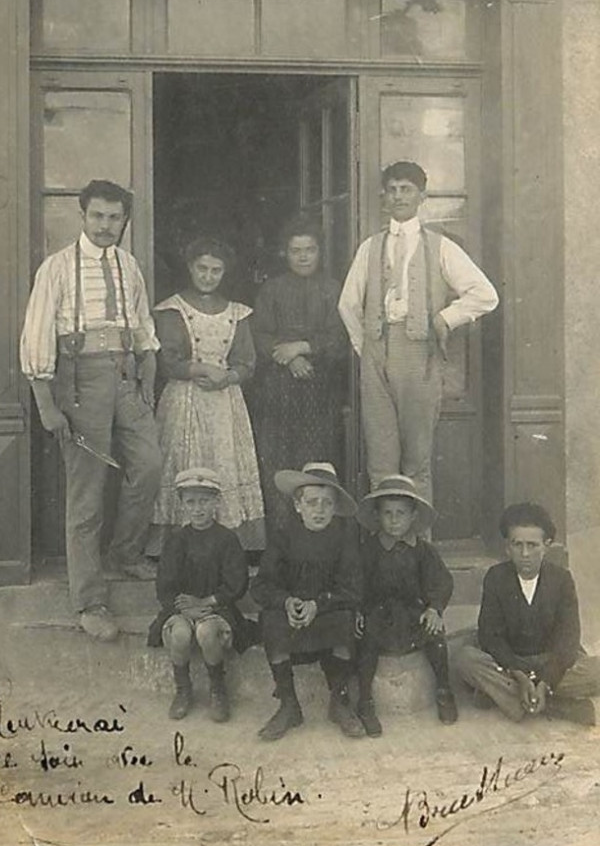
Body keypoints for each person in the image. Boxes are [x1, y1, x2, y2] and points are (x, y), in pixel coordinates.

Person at [20, 180, 162, 642]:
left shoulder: (128, 265)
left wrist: (147, 371)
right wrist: (47, 406)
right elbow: (38, 336)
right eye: (97, 216)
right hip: (79, 381)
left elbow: (142, 327)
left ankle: (125, 552)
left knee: (149, 466)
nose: (105, 226)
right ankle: (89, 599)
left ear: (124, 221)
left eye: (114, 218)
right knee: (87, 491)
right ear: (83, 216)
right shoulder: (57, 268)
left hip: (126, 376)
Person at [338, 161, 498, 503]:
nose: (398, 196)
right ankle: (384, 546)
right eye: (392, 190)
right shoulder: (370, 246)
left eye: (406, 189)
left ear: (421, 196)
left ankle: (417, 544)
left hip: (419, 356)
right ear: (385, 197)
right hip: (376, 354)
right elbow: (348, 305)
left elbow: (485, 295)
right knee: (380, 454)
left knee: (417, 458)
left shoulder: (440, 246)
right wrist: (365, 346)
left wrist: (446, 318)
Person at [151, 236, 265, 554]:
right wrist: (202, 371)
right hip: (185, 399)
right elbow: (168, 361)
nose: (208, 276)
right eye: (202, 269)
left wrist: (227, 377)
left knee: (223, 462)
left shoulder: (237, 313)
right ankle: (177, 545)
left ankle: (228, 544)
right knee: (185, 462)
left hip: (226, 402)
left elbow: (247, 362)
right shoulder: (172, 309)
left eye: (216, 270)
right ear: (190, 268)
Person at [457, 502, 600, 727]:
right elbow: (491, 635)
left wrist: (546, 682)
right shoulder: (496, 577)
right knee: (464, 660)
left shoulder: (562, 579)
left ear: (547, 545)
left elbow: (568, 638)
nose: (525, 554)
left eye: (533, 545)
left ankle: (507, 697)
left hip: (549, 660)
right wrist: (520, 675)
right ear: (507, 547)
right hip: (509, 661)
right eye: (517, 545)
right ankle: (555, 706)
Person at [251, 462, 363, 741]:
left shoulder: (344, 538)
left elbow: (353, 588)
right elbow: (262, 585)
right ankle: (289, 704)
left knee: (346, 620)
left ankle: (339, 701)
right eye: (312, 502)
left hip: (327, 613)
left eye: (327, 503)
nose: (320, 510)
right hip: (293, 616)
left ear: (335, 508)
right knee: (271, 621)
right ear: (298, 506)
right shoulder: (283, 537)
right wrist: (287, 601)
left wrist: (320, 604)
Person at [251, 214, 348, 533]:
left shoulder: (333, 290)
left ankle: (315, 531)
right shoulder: (272, 290)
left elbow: (341, 338)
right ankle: (281, 532)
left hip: (320, 390)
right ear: (285, 253)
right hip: (278, 392)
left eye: (310, 249)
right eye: (296, 250)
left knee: (317, 459)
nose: (303, 256)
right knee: (278, 459)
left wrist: (303, 346)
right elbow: (260, 335)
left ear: (320, 252)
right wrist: (288, 358)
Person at [355, 475, 458, 736]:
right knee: (365, 642)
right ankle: (365, 701)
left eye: (400, 513)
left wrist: (435, 608)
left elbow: (442, 581)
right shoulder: (368, 550)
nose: (394, 519)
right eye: (387, 513)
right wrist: (357, 610)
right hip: (378, 615)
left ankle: (444, 689)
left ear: (413, 516)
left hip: (414, 615)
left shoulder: (423, 551)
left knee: (435, 635)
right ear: (377, 516)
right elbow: (355, 582)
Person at [147, 468, 252, 723]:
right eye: (191, 502)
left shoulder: (227, 539)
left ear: (216, 502)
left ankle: (218, 688)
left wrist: (208, 602)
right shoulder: (177, 540)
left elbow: (237, 582)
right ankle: (183, 689)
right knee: (181, 634)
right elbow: (165, 585)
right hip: (181, 608)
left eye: (204, 501)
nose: (198, 508)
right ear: (182, 504)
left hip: (216, 608)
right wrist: (185, 608)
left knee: (206, 632)